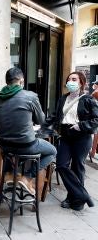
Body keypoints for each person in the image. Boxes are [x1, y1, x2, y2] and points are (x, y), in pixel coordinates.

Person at [0, 67, 57, 196]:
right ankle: (27, 177)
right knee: (52, 151)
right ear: (21, 81)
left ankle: (10, 174)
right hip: (26, 145)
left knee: (14, 154)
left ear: (7, 81)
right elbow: (41, 120)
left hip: (5, 146)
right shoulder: (30, 96)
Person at [45, 71, 98, 210]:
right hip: (66, 135)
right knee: (61, 165)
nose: (71, 82)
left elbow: (96, 119)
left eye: (74, 79)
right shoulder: (63, 98)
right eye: (69, 80)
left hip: (82, 136)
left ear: (81, 82)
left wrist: (81, 125)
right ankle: (83, 195)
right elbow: (56, 115)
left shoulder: (88, 99)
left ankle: (74, 200)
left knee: (77, 167)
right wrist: (43, 126)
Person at [89, 80, 98, 159]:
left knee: (95, 135)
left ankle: (93, 152)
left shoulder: (95, 93)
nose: (93, 85)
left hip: (96, 116)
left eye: (94, 84)